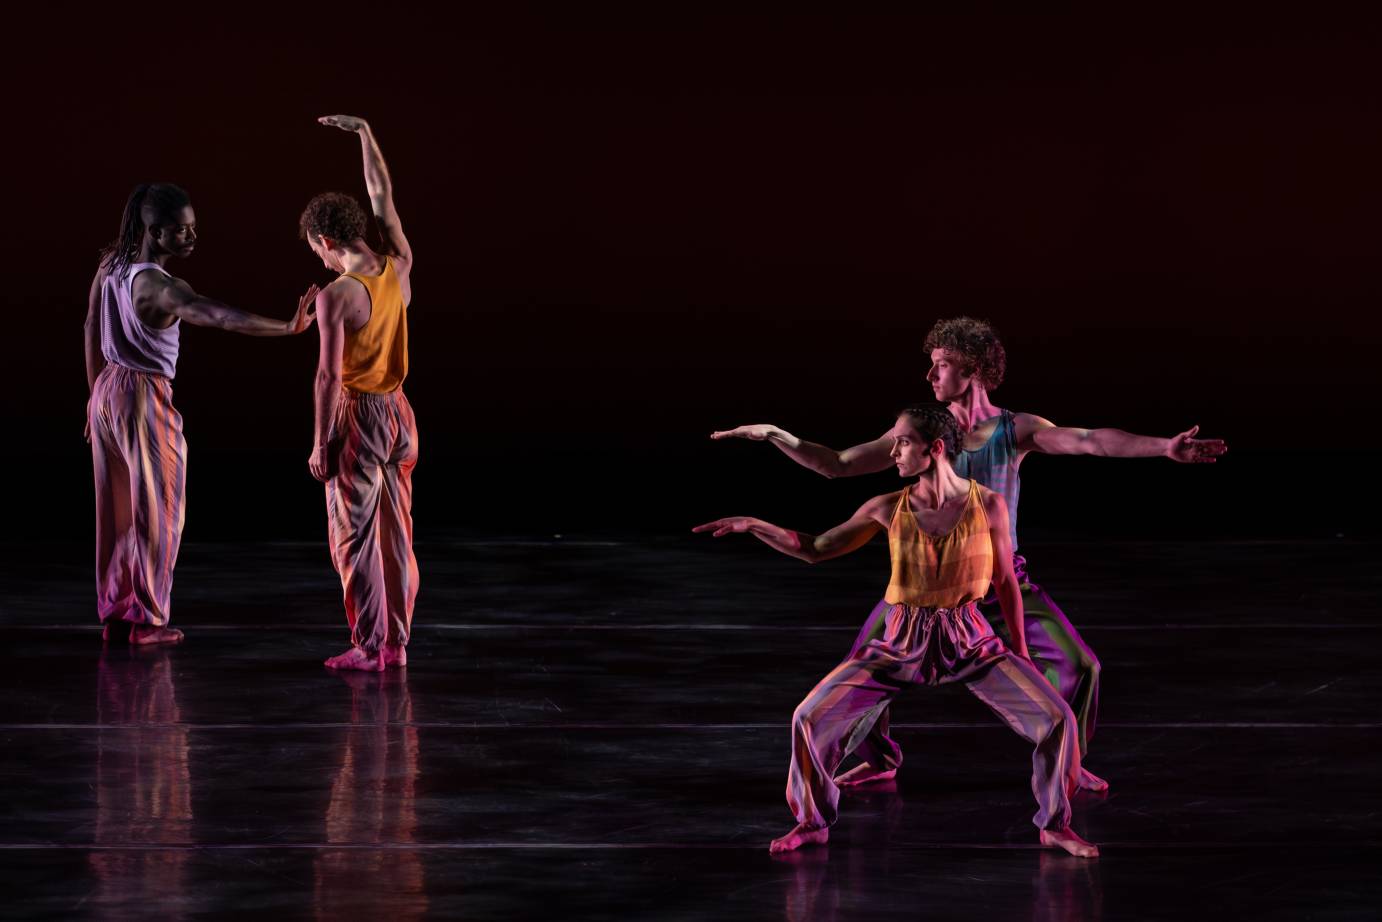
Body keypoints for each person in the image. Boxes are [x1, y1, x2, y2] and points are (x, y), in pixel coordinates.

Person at [711, 316, 1227, 790]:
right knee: (860, 669)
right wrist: (776, 434)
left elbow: (1091, 440)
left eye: (940, 364)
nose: (929, 374)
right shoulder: (920, 433)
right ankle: (880, 757)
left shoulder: (1015, 429)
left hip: (1002, 582)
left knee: (1082, 668)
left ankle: (1068, 762)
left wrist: (1163, 447)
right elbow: (837, 465)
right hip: (924, 590)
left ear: (973, 368)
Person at [696, 406, 1098, 857]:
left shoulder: (988, 505)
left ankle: (1055, 825)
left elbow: (1005, 581)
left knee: (1058, 718)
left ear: (936, 448)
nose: (893, 451)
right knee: (808, 718)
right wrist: (755, 525)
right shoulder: (887, 507)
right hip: (898, 642)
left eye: (903, 442)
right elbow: (815, 548)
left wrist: (1020, 650)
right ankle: (812, 822)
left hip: (970, 639)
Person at [85, 183, 316, 645]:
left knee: (117, 508)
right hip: (142, 396)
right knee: (160, 510)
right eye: (182, 231)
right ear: (154, 231)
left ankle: (116, 609)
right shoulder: (162, 287)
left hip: (108, 391)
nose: (193, 237)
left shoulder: (111, 265)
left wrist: (93, 399)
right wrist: (287, 327)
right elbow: (219, 316)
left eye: (193, 227)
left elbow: (92, 323)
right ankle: (148, 620)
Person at [302, 115, 418, 672]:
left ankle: (371, 646)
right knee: (397, 533)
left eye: (316, 250)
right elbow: (383, 195)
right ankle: (396, 644)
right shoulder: (399, 263)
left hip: (363, 417)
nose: (319, 260)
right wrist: (368, 134)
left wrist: (322, 443)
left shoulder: (336, 295)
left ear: (326, 241)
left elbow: (327, 378)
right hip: (401, 413)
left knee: (353, 538)